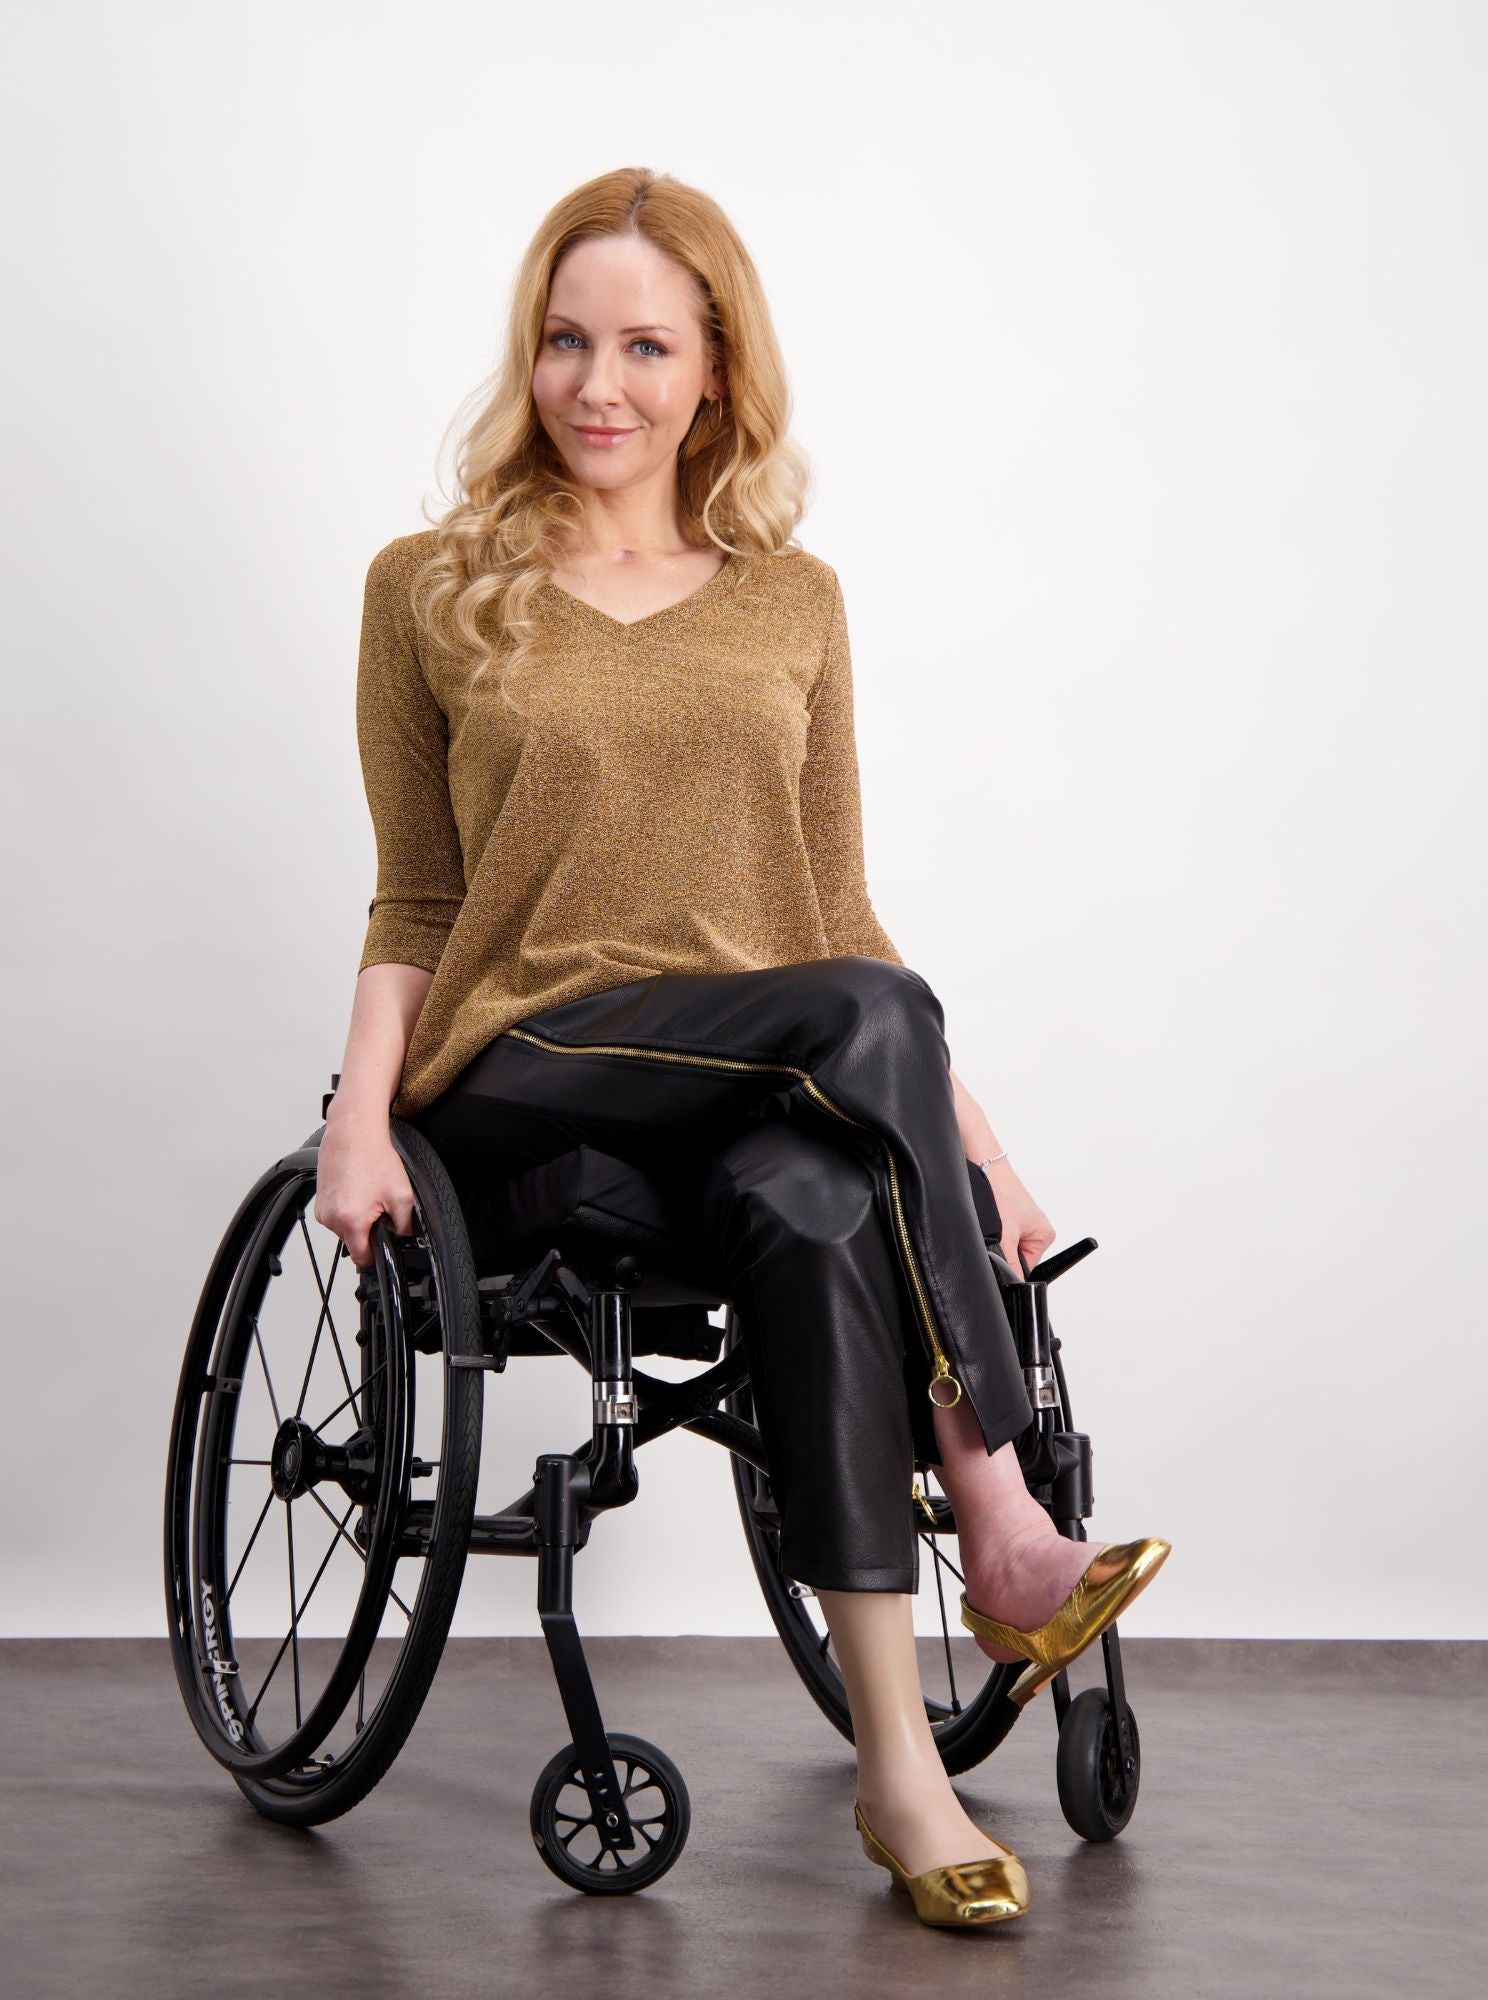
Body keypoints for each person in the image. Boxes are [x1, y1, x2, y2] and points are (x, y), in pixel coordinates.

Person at [315, 165, 1170, 1930]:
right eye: (566, 341)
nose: (598, 384)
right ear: (529, 356)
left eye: (646, 346)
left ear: (716, 371)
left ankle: (900, 1774)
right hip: (529, 1067)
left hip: (762, 1077)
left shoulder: (793, 602)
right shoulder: (430, 589)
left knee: (820, 1201)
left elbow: (836, 914)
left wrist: (980, 1153)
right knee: (859, 1026)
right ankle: (997, 1504)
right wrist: (357, 1116)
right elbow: (417, 899)